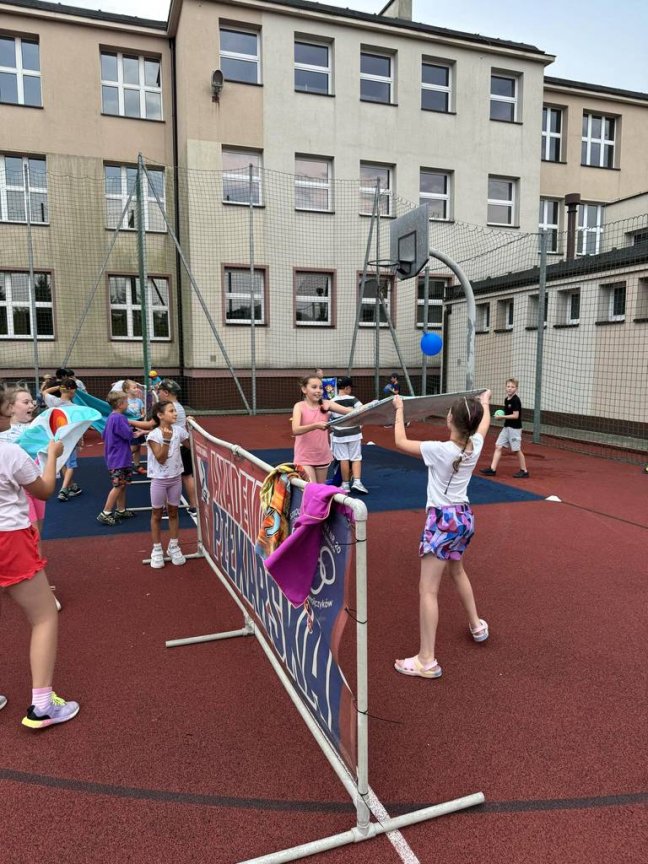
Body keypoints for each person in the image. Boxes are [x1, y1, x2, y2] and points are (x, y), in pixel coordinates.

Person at [392, 390, 491, 679]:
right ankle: (476, 625)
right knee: (457, 570)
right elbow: (484, 424)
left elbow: (400, 442)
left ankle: (426, 659)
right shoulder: (475, 444)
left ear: (450, 420)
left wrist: (399, 409)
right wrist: (485, 402)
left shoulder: (440, 449)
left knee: (428, 590)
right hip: (463, 518)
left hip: (443, 520)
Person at [0, 435, 79, 728]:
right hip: (9, 538)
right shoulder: (9, 452)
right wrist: (53, 455)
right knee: (44, 617)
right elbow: (44, 490)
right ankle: (43, 705)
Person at [0, 386, 63, 611]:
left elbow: (49, 451)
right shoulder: (5, 437)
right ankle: (40, 590)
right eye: (25, 402)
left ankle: (24, 579)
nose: (31, 405)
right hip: (20, 491)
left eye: (31, 402)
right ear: (10, 407)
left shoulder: (37, 428)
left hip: (36, 484)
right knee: (30, 537)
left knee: (36, 536)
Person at [146, 400, 191, 568]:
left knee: (173, 512)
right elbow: (161, 458)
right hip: (159, 480)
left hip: (175, 479)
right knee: (157, 514)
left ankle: (173, 546)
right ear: (160, 415)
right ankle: (157, 549)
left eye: (175, 411)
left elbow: (191, 445)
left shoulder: (178, 430)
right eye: (171, 411)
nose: (175, 413)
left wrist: (193, 428)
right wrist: (166, 440)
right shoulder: (153, 435)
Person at [291, 375, 354, 483]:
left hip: (322, 455)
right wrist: (315, 425)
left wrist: (372, 406)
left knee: (320, 489)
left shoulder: (327, 404)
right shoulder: (299, 406)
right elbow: (295, 430)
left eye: (320, 387)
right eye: (314, 387)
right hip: (304, 457)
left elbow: (351, 412)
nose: (318, 390)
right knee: (312, 488)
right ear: (304, 389)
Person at [96, 390, 143, 526]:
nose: (128, 404)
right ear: (121, 404)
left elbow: (104, 434)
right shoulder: (120, 418)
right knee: (118, 486)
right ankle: (105, 512)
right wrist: (134, 431)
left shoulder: (110, 417)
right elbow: (127, 435)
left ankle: (120, 510)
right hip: (119, 458)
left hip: (114, 457)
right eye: (126, 401)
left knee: (121, 485)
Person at [157, 380, 196, 515]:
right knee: (187, 476)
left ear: (166, 392)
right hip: (183, 444)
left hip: (174, 446)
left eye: (159, 392)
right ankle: (193, 505)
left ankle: (165, 506)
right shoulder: (179, 407)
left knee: (166, 477)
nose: (158, 394)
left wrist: (130, 421)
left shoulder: (168, 409)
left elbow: (153, 424)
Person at [480, 377, 529, 479]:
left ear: (516, 388)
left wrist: (502, 417)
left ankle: (524, 471)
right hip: (507, 427)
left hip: (515, 428)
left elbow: (515, 416)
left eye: (512, 387)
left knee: (516, 450)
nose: (510, 388)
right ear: (505, 387)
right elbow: (508, 414)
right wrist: (501, 417)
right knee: (498, 446)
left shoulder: (516, 400)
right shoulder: (506, 399)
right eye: (508, 386)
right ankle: (492, 469)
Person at [329, 376, 368, 494]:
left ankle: (345, 484)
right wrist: (360, 424)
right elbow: (362, 411)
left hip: (339, 434)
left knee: (343, 458)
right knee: (356, 458)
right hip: (354, 433)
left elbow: (329, 417)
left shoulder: (332, 401)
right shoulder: (353, 399)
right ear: (347, 388)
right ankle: (357, 482)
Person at [55, 379, 84, 502]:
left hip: (57, 438)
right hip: (70, 439)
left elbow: (44, 392)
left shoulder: (54, 403)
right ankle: (63, 490)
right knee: (71, 464)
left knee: (63, 462)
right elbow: (78, 425)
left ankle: (71, 485)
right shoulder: (75, 408)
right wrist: (80, 440)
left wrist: (58, 387)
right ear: (72, 390)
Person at [122, 379, 147, 474]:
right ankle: (121, 461)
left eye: (136, 387)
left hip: (138, 424)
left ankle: (137, 465)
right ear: (127, 390)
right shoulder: (124, 401)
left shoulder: (139, 401)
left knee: (138, 446)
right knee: (134, 447)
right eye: (134, 388)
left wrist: (143, 416)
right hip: (129, 426)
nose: (137, 389)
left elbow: (142, 412)